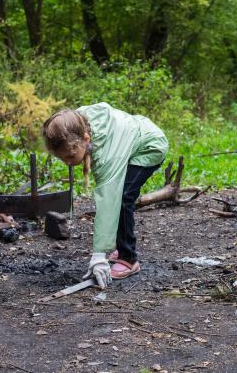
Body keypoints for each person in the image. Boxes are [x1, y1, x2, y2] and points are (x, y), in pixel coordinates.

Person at [43, 102, 168, 289]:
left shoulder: (108, 155)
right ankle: (121, 245)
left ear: (86, 139)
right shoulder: (75, 122)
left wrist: (99, 255)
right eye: (62, 158)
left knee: (123, 197)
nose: (68, 163)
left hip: (149, 147)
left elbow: (109, 200)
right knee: (121, 196)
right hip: (136, 134)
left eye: (70, 156)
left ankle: (129, 258)